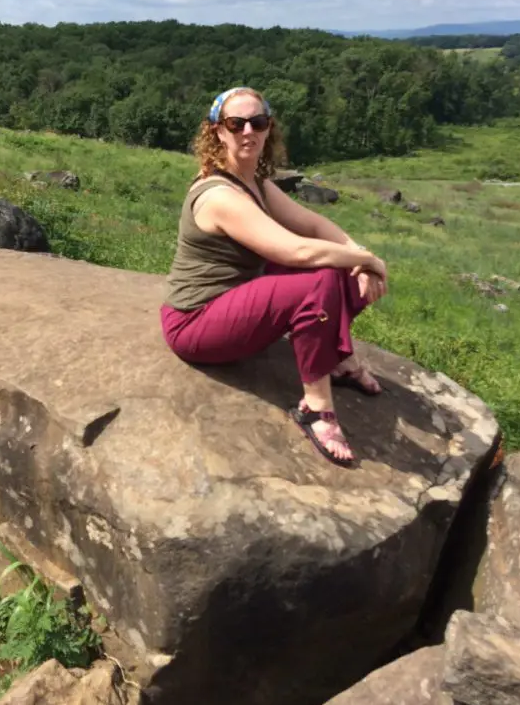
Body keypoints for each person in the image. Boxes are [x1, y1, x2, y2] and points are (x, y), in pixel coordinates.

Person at [160, 87, 388, 464]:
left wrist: (362, 258)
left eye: (258, 122)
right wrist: (364, 259)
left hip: (237, 298)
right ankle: (316, 407)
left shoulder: (256, 184)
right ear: (218, 131)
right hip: (195, 322)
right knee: (321, 275)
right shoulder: (219, 194)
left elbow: (313, 224)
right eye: (236, 123)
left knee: (340, 269)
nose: (248, 131)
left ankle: (334, 357)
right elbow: (295, 250)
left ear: (269, 129)